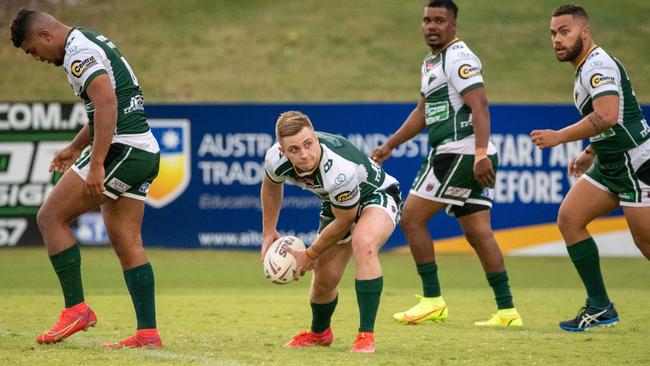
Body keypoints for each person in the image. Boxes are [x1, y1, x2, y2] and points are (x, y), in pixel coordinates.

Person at [10, 9, 162, 347]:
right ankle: (148, 334)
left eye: (32, 50)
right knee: (127, 242)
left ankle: (76, 310)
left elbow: (106, 104)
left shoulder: (78, 52)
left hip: (122, 150)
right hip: (143, 150)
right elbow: (105, 106)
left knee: (50, 217)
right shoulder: (87, 39)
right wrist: (74, 147)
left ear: (45, 35)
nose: (36, 58)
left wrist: (95, 165)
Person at [370, 0, 522, 327]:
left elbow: (480, 106)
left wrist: (480, 153)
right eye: (427, 20)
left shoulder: (458, 57)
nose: (431, 26)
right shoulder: (430, 63)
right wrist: (390, 145)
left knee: (410, 217)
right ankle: (508, 311)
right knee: (479, 233)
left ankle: (432, 300)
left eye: (439, 20)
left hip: (460, 151)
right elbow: (422, 113)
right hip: (465, 152)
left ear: (453, 25)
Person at [531, 4, 650, 332]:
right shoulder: (586, 67)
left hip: (633, 161)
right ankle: (600, 306)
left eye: (564, 32)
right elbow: (617, 116)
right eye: (553, 33)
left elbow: (608, 115)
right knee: (570, 219)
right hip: (611, 161)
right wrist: (589, 151)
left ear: (585, 31)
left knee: (647, 245)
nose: (557, 39)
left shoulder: (597, 65)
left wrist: (560, 137)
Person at [261, 111, 402, 353]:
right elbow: (271, 186)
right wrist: (268, 232)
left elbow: (346, 220)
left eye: (308, 144)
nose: (304, 154)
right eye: (294, 149)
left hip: (376, 194)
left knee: (364, 242)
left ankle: (365, 336)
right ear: (282, 151)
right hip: (336, 204)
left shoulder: (339, 168)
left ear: (315, 138)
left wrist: (311, 253)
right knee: (325, 280)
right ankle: (319, 334)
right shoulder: (275, 159)